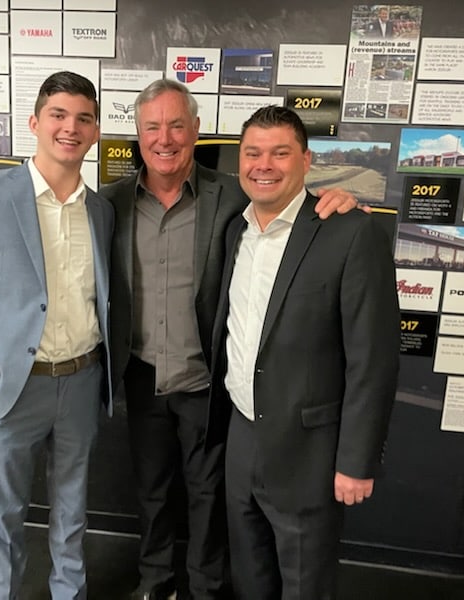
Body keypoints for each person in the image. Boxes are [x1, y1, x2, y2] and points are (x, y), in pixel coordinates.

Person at [99, 79, 359, 600]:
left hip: (207, 381)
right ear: (138, 134)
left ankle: (205, 588)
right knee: (151, 493)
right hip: (142, 376)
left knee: (208, 496)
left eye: (177, 125)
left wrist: (342, 200)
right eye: (153, 127)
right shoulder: (110, 204)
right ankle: (155, 582)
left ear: (196, 130)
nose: (165, 138)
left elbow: (292, 205)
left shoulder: (233, 195)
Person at [207, 105, 400, 599]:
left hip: (309, 454)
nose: (263, 165)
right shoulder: (235, 229)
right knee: (250, 578)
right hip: (241, 437)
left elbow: (373, 359)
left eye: (280, 153)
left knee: (304, 585)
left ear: (307, 160)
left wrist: (357, 460)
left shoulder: (350, 232)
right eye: (253, 153)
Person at [0, 71, 114, 600]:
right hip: (11, 389)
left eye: (83, 118)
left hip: (82, 382)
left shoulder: (102, 210)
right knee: (6, 517)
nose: (70, 128)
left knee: (72, 513)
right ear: (35, 122)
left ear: (96, 132)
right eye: (58, 115)